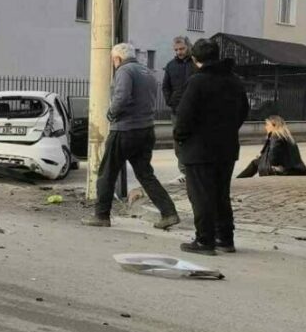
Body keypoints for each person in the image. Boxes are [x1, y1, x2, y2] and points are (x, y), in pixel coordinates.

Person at [83, 43, 180, 229]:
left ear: (117, 59)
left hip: (125, 129)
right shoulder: (146, 72)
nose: (113, 63)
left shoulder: (124, 71)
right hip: (146, 129)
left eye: (113, 60)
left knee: (107, 174)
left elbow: (122, 96)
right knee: (145, 174)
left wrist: (110, 113)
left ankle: (101, 215)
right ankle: (169, 212)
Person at [174, 38, 250, 255]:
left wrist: (181, 138)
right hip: (226, 147)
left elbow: (184, 115)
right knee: (220, 194)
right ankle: (225, 238)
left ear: (196, 59)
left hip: (199, 148)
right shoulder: (235, 81)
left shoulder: (197, 81)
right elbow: (243, 110)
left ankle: (204, 240)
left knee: (201, 195)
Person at [163, 36, 196, 179]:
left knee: (194, 139)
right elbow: (165, 86)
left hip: (195, 111)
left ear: (188, 47)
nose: (179, 52)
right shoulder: (171, 65)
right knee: (178, 141)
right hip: (177, 110)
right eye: (176, 50)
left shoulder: (196, 63)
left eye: (181, 48)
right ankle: (183, 171)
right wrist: (170, 101)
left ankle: (193, 170)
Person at [237, 115, 306, 178]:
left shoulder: (275, 136)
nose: (265, 127)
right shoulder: (287, 136)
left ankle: (238, 180)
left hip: (284, 170)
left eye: (267, 125)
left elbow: (273, 159)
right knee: (256, 162)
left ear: (274, 125)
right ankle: (239, 179)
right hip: (296, 169)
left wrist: (264, 158)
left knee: (255, 163)